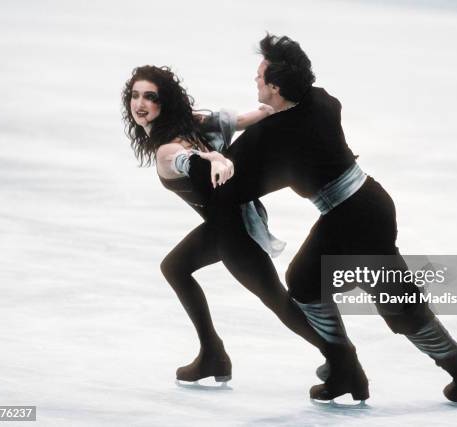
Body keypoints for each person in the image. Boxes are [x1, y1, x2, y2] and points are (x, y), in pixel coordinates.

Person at [210, 34, 457, 403]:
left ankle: (348, 370)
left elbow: (233, 185)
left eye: (261, 75)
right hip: (369, 204)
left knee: (311, 282)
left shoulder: (275, 134)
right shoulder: (321, 101)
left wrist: (206, 150)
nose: (255, 78)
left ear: (276, 88)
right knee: (379, 294)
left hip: (352, 218)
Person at [121, 65, 331, 384]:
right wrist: (275, 109)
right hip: (227, 224)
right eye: (135, 96)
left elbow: (186, 157)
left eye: (150, 97)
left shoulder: (168, 149)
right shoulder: (191, 122)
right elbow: (247, 119)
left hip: (234, 232)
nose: (140, 104)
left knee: (278, 301)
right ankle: (212, 355)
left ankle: (338, 357)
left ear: (164, 102)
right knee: (175, 267)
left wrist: (216, 159)